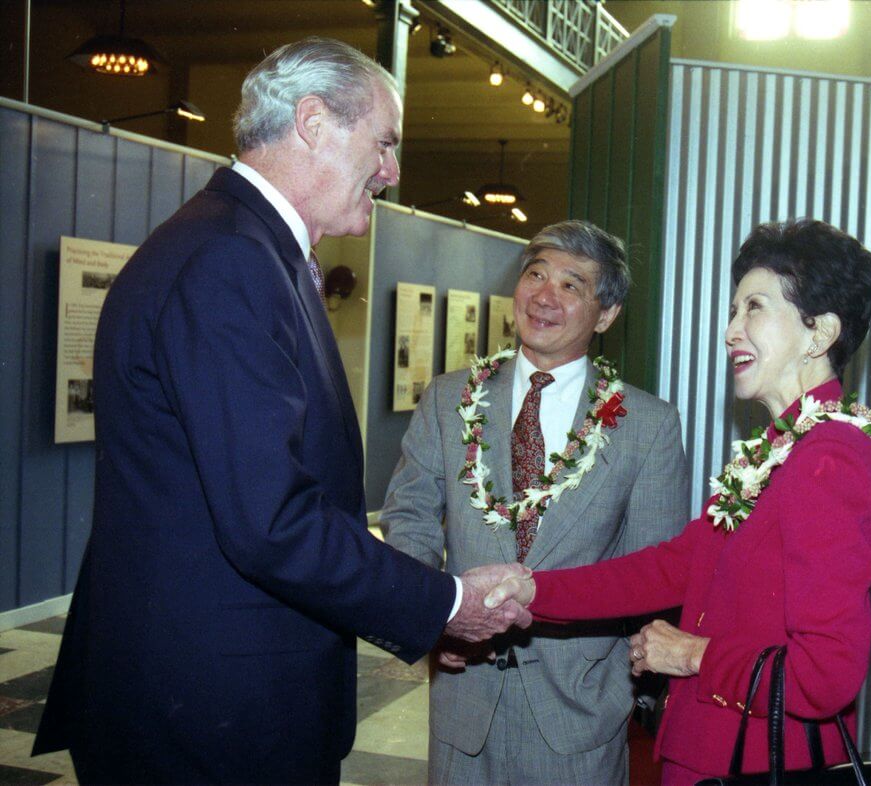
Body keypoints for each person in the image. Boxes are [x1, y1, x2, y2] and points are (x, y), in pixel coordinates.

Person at [32, 37, 531, 785]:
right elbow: (271, 521)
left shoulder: (247, 250)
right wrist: (444, 603)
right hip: (206, 713)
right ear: (313, 122)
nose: (392, 173)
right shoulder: (230, 261)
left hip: (216, 694)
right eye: (385, 144)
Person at [489, 219, 871, 785]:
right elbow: (673, 567)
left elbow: (825, 675)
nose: (731, 330)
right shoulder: (783, 449)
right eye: (734, 310)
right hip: (716, 758)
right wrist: (532, 589)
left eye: (754, 308)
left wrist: (690, 656)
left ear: (819, 334)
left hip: (754, 768)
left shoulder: (828, 460)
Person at [380, 220, 690, 785]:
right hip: (463, 697)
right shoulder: (449, 400)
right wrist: (430, 618)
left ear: (606, 314)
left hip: (579, 712)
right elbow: (410, 519)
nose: (545, 296)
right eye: (535, 274)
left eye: (572, 285)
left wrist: (637, 686)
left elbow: (655, 572)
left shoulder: (648, 425)